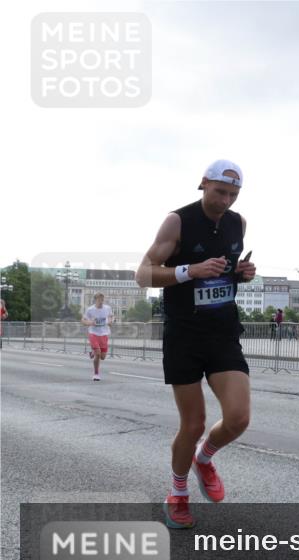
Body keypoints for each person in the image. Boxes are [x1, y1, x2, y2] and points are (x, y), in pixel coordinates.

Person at [136, 159, 256, 529]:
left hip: (222, 331)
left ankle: (204, 459)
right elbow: (143, 274)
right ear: (203, 184)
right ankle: (178, 492)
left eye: (233, 195)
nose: (225, 201)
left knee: (238, 418)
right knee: (193, 423)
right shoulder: (178, 221)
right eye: (220, 192)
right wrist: (191, 270)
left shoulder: (238, 223)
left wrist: (240, 274)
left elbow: (225, 271)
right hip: (184, 334)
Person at [81, 293, 114, 380]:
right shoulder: (90, 309)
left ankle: (92, 352)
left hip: (104, 334)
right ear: (95, 300)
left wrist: (110, 321)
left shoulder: (107, 308)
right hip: (93, 333)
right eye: (99, 300)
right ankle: (96, 374)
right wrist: (91, 323)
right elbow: (83, 320)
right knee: (98, 354)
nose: (101, 302)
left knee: (103, 357)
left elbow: (111, 316)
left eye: (102, 300)